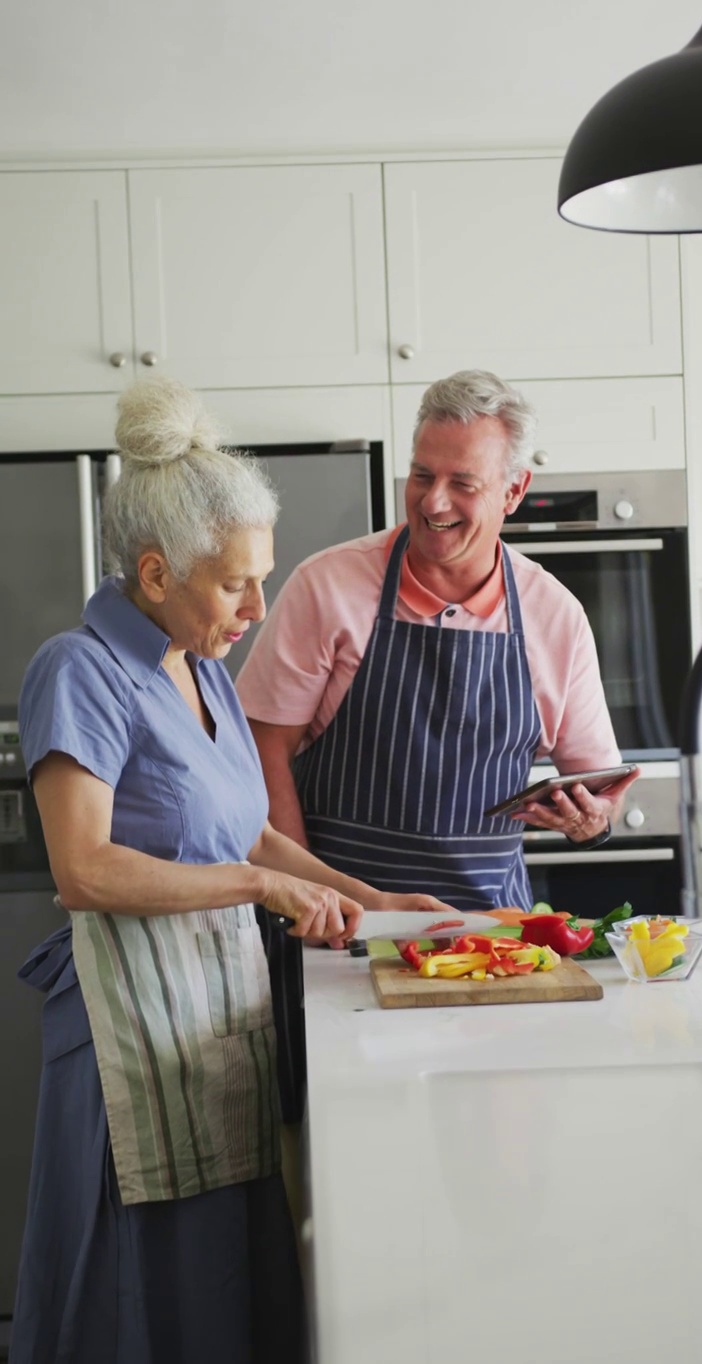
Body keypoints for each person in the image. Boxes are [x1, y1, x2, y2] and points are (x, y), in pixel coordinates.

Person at [10, 377, 453, 1364]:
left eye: (265, 578)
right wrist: (263, 891)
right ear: (157, 571)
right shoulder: (76, 670)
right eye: (234, 583)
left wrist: (369, 900)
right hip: (128, 1032)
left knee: (222, 1290)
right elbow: (83, 868)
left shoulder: (201, 664)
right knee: (134, 1297)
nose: (257, 607)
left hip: (214, 1018)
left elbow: (244, 829)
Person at [237, 367, 639, 910]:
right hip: (341, 923)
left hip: (491, 934)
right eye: (422, 476)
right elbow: (263, 748)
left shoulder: (555, 615)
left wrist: (591, 820)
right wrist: (314, 898)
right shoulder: (327, 586)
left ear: (514, 491)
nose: (433, 503)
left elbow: (599, 791)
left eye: (463, 484)